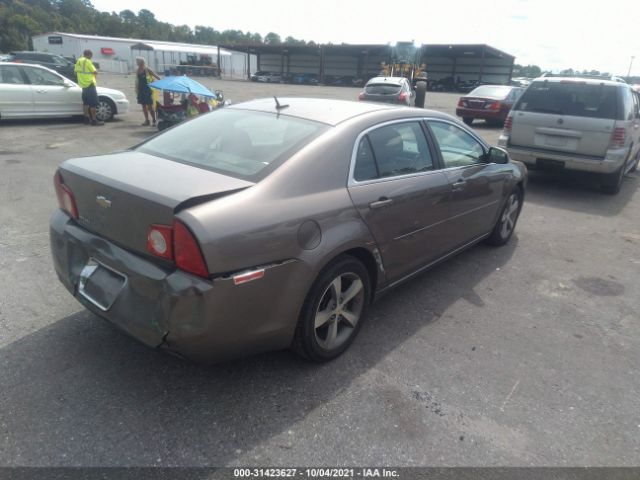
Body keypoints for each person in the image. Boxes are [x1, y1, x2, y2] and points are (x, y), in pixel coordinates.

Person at [74, 49, 102, 126]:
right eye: (91, 56)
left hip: (83, 85)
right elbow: (95, 72)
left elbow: (75, 71)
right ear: (89, 55)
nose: (91, 58)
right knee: (93, 104)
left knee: (85, 103)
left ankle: (86, 119)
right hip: (90, 84)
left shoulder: (78, 61)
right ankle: (94, 120)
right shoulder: (87, 61)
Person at [135, 57, 160, 126]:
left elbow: (155, 75)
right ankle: (147, 120)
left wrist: (163, 82)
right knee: (143, 106)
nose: (136, 63)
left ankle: (154, 120)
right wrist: (137, 90)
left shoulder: (147, 69)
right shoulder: (137, 70)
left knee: (149, 106)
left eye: (137, 61)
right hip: (140, 90)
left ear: (142, 62)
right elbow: (137, 81)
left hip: (147, 89)